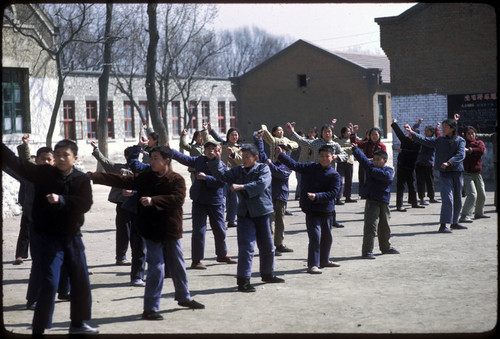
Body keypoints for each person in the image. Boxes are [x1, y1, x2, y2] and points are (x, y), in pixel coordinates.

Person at [89, 145, 204, 321]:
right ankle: (150, 308)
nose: (152, 161)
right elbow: (122, 180)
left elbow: (177, 199)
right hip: (150, 230)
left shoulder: (176, 179)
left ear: (167, 160)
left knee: (178, 265)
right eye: (151, 158)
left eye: (156, 158)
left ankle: (184, 297)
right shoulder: (145, 177)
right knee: (156, 268)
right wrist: (94, 176)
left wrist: (153, 200)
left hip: (170, 229)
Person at [2, 139, 98, 334]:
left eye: (66, 155)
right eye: (58, 154)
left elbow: (85, 203)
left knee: (80, 280)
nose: (61, 158)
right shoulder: (43, 173)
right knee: (49, 281)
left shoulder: (81, 179)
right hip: (46, 236)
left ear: (75, 158)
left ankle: (78, 324)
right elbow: (16, 162)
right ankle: (39, 327)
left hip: (72, 236)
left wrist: (61, 200)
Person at [208, 143, 285, 292]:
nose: (244, 159)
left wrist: (241, 187)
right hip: (245, 214)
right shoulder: (238, 170)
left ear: (255, 158)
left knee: (267, 247)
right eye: (242, 156)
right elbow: (222, 176)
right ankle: (243, 281)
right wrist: (216, 160)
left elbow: (261, 184)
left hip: (262, 212)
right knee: (246, 248)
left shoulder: (263, 168)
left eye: (247, 157)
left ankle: (267, 274)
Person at [171, 137, 237, 269]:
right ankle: (196, 260)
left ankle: (222, 254)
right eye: (208, 149)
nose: (210, 151)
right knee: (199, 231)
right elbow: (185, 159)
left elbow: (221, 182)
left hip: (215, 201)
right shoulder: (199, 160)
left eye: (213, 149)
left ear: (218, 150)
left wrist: (207, 178)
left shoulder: (221, 165)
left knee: (219, 230)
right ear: (204, 150)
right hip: (199, 200)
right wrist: (171, 151)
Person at [90, 141, 147, 287]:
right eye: (129, 156)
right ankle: (121, 256)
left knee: (138, 234)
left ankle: (139, 259)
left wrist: (143, 147)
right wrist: (96, 149)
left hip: (138, 205)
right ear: (126, 157)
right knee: (123, 231)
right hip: (122, 205)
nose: (131, 159)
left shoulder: (142, 169)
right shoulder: (118, 168)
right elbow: (105, 161)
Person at [278, 144, 341, 274]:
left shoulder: (334, 175)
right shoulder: (310, 167)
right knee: (315, 237)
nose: (324, 158)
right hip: (311, 209)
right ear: (318, 156)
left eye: (327, 156)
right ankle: (313, 264)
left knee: (327, 237)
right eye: (322, 156)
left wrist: (317, 196)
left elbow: (333, 192)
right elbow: (295, 165)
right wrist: (281, 155)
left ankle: (324, 260)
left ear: (332, 157)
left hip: (326, 210)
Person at [405, 119, 467, 233]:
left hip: (457, 172)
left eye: (446, 127)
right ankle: (443, 225)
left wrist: (449, 162)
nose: (443, 129)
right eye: (443, 126)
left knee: (458, 198)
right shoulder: (440, 140)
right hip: (444, 173)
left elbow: (461, 154)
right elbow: (425, 140)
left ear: (453, 128)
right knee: (447, 198)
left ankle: (454, 222)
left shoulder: (460, 140)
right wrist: (412, 133)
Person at [286, 121, 347, 228]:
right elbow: (303, 142)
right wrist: (292, 132)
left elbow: (345, 155)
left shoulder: (335, 145)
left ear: (332, 133)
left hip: (330, 174)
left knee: (331, 197)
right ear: (321, 133)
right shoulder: (316, 143)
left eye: (329, 132)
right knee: (318, 196)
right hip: (317, 173)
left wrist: (337, 156)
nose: (327, 134)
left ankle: (333, 220)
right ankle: (317, 218)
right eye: (325, 132)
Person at [352, 145, 399, 259]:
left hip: (384, 202)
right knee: (371, 226)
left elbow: (387, 177)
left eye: (379, 159)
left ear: (385, 161)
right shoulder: (369, 167)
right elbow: (362, 159)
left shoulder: (388, 170)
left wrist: (372, 170)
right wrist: (355, 149)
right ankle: (367, 251)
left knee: (385, 226)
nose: (376, 161)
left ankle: (385, 247)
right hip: (372, 201)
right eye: (374, 159)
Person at [254, 130, 294, 256]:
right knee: (269, 222)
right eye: (276, 152)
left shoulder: (287, 165)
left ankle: (279, 244)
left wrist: (270, 164)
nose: (278, 153)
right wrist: (260, 140)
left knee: (280, 222)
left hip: (281, 196)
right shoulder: (271, 163)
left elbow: (279, 174)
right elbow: (261, 155)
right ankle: (269, 245)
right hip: (269, 196)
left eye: (280, 151)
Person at [202, 122, 242, 228]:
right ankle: (218, 221)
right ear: (228, 136)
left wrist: (234, 154)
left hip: (234, 178)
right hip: (223, 176)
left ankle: (231, 220)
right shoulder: (222, 146)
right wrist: (205, 131)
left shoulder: (240, 149)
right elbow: (208, 142)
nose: (234, 137)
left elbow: (242, 162)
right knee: (221, 200)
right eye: (232, 134)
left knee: (234, 201)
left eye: (236, 135)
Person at [391, 119, 425, 212]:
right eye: (410, 134)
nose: (410, 136)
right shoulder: (405, 140)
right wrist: (394, 123)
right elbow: (399, 133)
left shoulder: (418, 144)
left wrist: (403, 151)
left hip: (411, 166)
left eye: (412, 135)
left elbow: (414, 153)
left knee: (412, 185)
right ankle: (399, 205)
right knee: (400, 186)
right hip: (402, 165)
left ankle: (414, 203)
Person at [460, 126, 489, 222]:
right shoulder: (463, 143)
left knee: (482, 194)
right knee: (472, 195)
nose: (471, 135)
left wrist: (470, 150)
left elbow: (481, 150)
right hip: (467, 173)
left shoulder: (479, 143)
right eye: (469, 133)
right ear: (465, 135)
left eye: (473, 133)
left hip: (477, 174)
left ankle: (479, 213)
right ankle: (464, 215)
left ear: (475, 133)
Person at [350, 125, 387, 195]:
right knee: (362, 179)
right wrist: (354, 133)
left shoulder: (382, 146)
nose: (374, 136)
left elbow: (384, 158)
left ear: (379, 135)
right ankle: (363, 193)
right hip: (364, 165)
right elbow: (355, 144)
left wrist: (372, 160)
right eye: (372, 134)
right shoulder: (366, 144)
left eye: (376, 134)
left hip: (376, 166)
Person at [412, 119, 440, 205]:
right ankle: (421, 199)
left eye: (427, 131)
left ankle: (431, 197)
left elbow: (439, 137)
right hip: (420, 164)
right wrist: (418, 123)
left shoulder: (433, 141)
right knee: (420, 182)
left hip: (429, 164)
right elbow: (414, 132)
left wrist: (437, 128)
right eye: (425, 131)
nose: (425, 132)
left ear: (432, 132)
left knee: (430, 181)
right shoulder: (422, 139)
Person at [335, 126, 357, 204]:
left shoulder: (352, 140)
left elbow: (355, 148)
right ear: (343, 133)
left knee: (349, 181)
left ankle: (348, 197)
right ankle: (338, 198)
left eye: (349, 131)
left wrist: (354, 132)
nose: (349, 133)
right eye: (348, 131)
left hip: (349, 162)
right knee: (340, 180)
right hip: (341, 162)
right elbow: (333, 137)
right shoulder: (339, 140)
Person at [294, 127, 317, 200]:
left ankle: (308, 195)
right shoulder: (304, 140)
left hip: (311, 165)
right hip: (301, 163)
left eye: (312, 132)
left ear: (316, 133)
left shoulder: (318, 142)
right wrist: (293, 130)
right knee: (300, 180)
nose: (310, 134)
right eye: (309, 132)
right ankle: (298, 195)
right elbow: (298, 139)